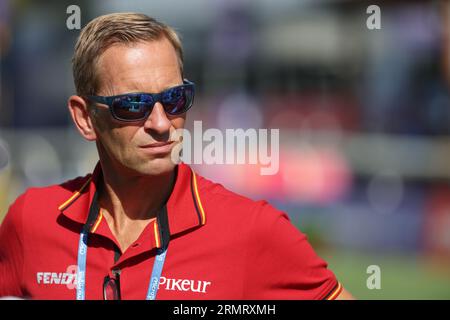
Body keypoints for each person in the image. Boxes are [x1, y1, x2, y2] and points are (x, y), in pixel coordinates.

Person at [0, 13, 353, 300]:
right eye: (133, 105)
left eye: (174, 100)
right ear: (84, 118)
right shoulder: (30, 221)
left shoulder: (255, 229)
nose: (161, 123)